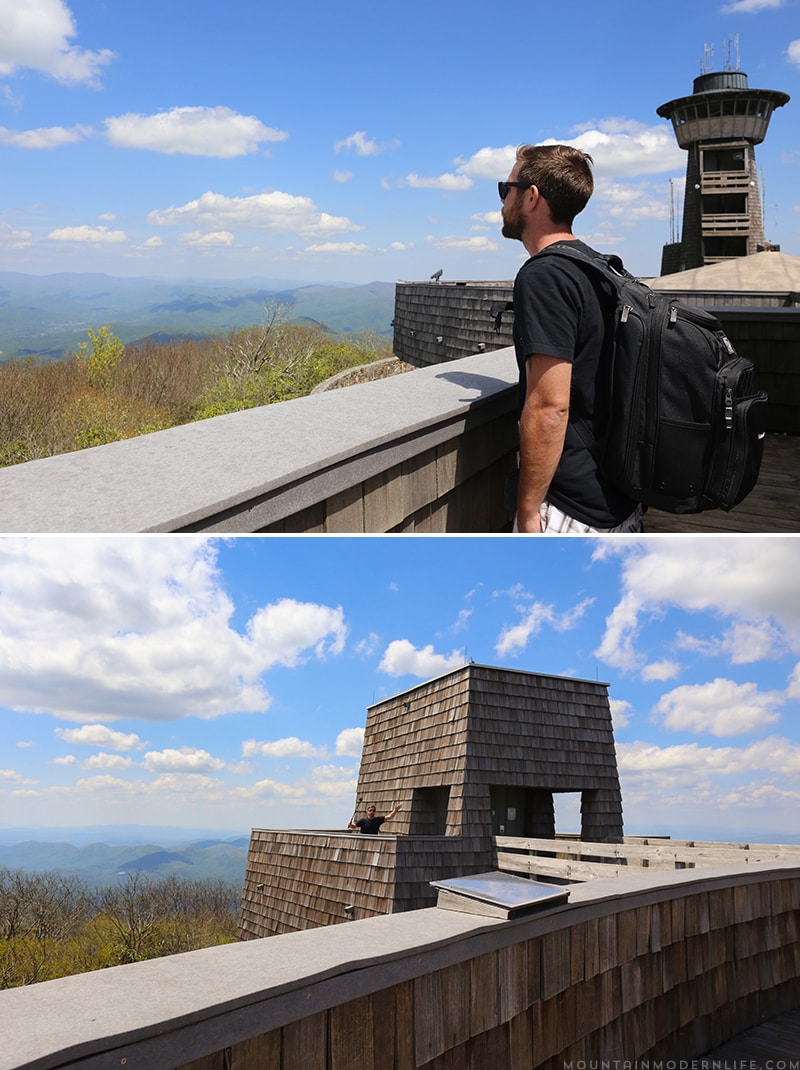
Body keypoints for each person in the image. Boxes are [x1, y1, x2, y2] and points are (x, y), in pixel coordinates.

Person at [500, 143, 643, 534]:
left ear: (531, 197)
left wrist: (528, 510)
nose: (503, 200)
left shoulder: (545, 276)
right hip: (618, 498)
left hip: (571, 509)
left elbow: (550, 407)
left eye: (506, 188)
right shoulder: (601, 268)